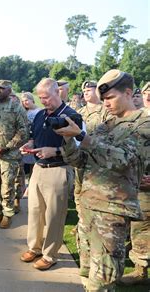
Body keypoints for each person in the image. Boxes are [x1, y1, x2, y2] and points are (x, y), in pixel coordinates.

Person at [55, 70, 149, 291]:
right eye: (103, 99)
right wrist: (68, 140)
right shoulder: (105, 124)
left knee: (103, 281)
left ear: (128, 93)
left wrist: (82, 137)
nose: (105, 104)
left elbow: (125, 159)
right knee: (87, 274)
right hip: (88, 206)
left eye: (110, 98)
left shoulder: (143, 124)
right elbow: (80, 161)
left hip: (111, 211)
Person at [19, 78, 82, 271]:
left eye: (46, 97)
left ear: (58, 92)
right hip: (38, 168)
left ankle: (50, 254)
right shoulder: (39, 115)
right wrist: (30, 145)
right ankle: (35, 247)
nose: (43, 101)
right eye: (40, 97)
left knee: (54, 215)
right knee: (35, 212)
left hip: (59, 169)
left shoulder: (72, 117)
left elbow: (80, 148)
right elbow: (34, 137)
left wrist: (54, 151)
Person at [0, 80, 28, 228]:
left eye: (2, 89)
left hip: (9, 156)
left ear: (9, 91)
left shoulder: (16, 108)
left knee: (7, 186)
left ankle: (7, 214)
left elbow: (23, 131)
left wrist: (6, 147)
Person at [120, 81, 150, 285]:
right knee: (137, 225)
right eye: (147, 93)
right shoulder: (136, 119)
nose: (148, 97)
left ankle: (141, 269)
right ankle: (138, 266)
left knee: (143, 226)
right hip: (135, 183)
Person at [72, 80, 109, 233]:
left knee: (97, 193)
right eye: (84, 91)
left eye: (89, 90)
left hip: (98, 160)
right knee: (79, 191)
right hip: (81, 158)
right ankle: (82, 221)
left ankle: (95, 223)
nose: (85, 92)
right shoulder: (79, 113)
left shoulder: (106, 111)